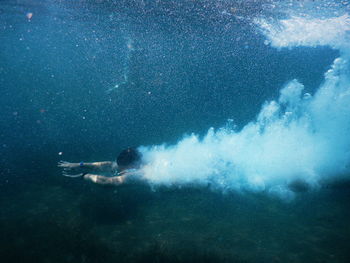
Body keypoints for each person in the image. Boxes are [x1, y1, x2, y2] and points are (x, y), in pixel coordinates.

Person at [58, 147, 143, 186]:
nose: (118, 167)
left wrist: (84, 176)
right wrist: (80, 164)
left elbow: (109, 181)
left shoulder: (140, 174)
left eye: (122, 166)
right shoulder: (136, 159)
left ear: (132, 165)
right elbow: (109, 165)